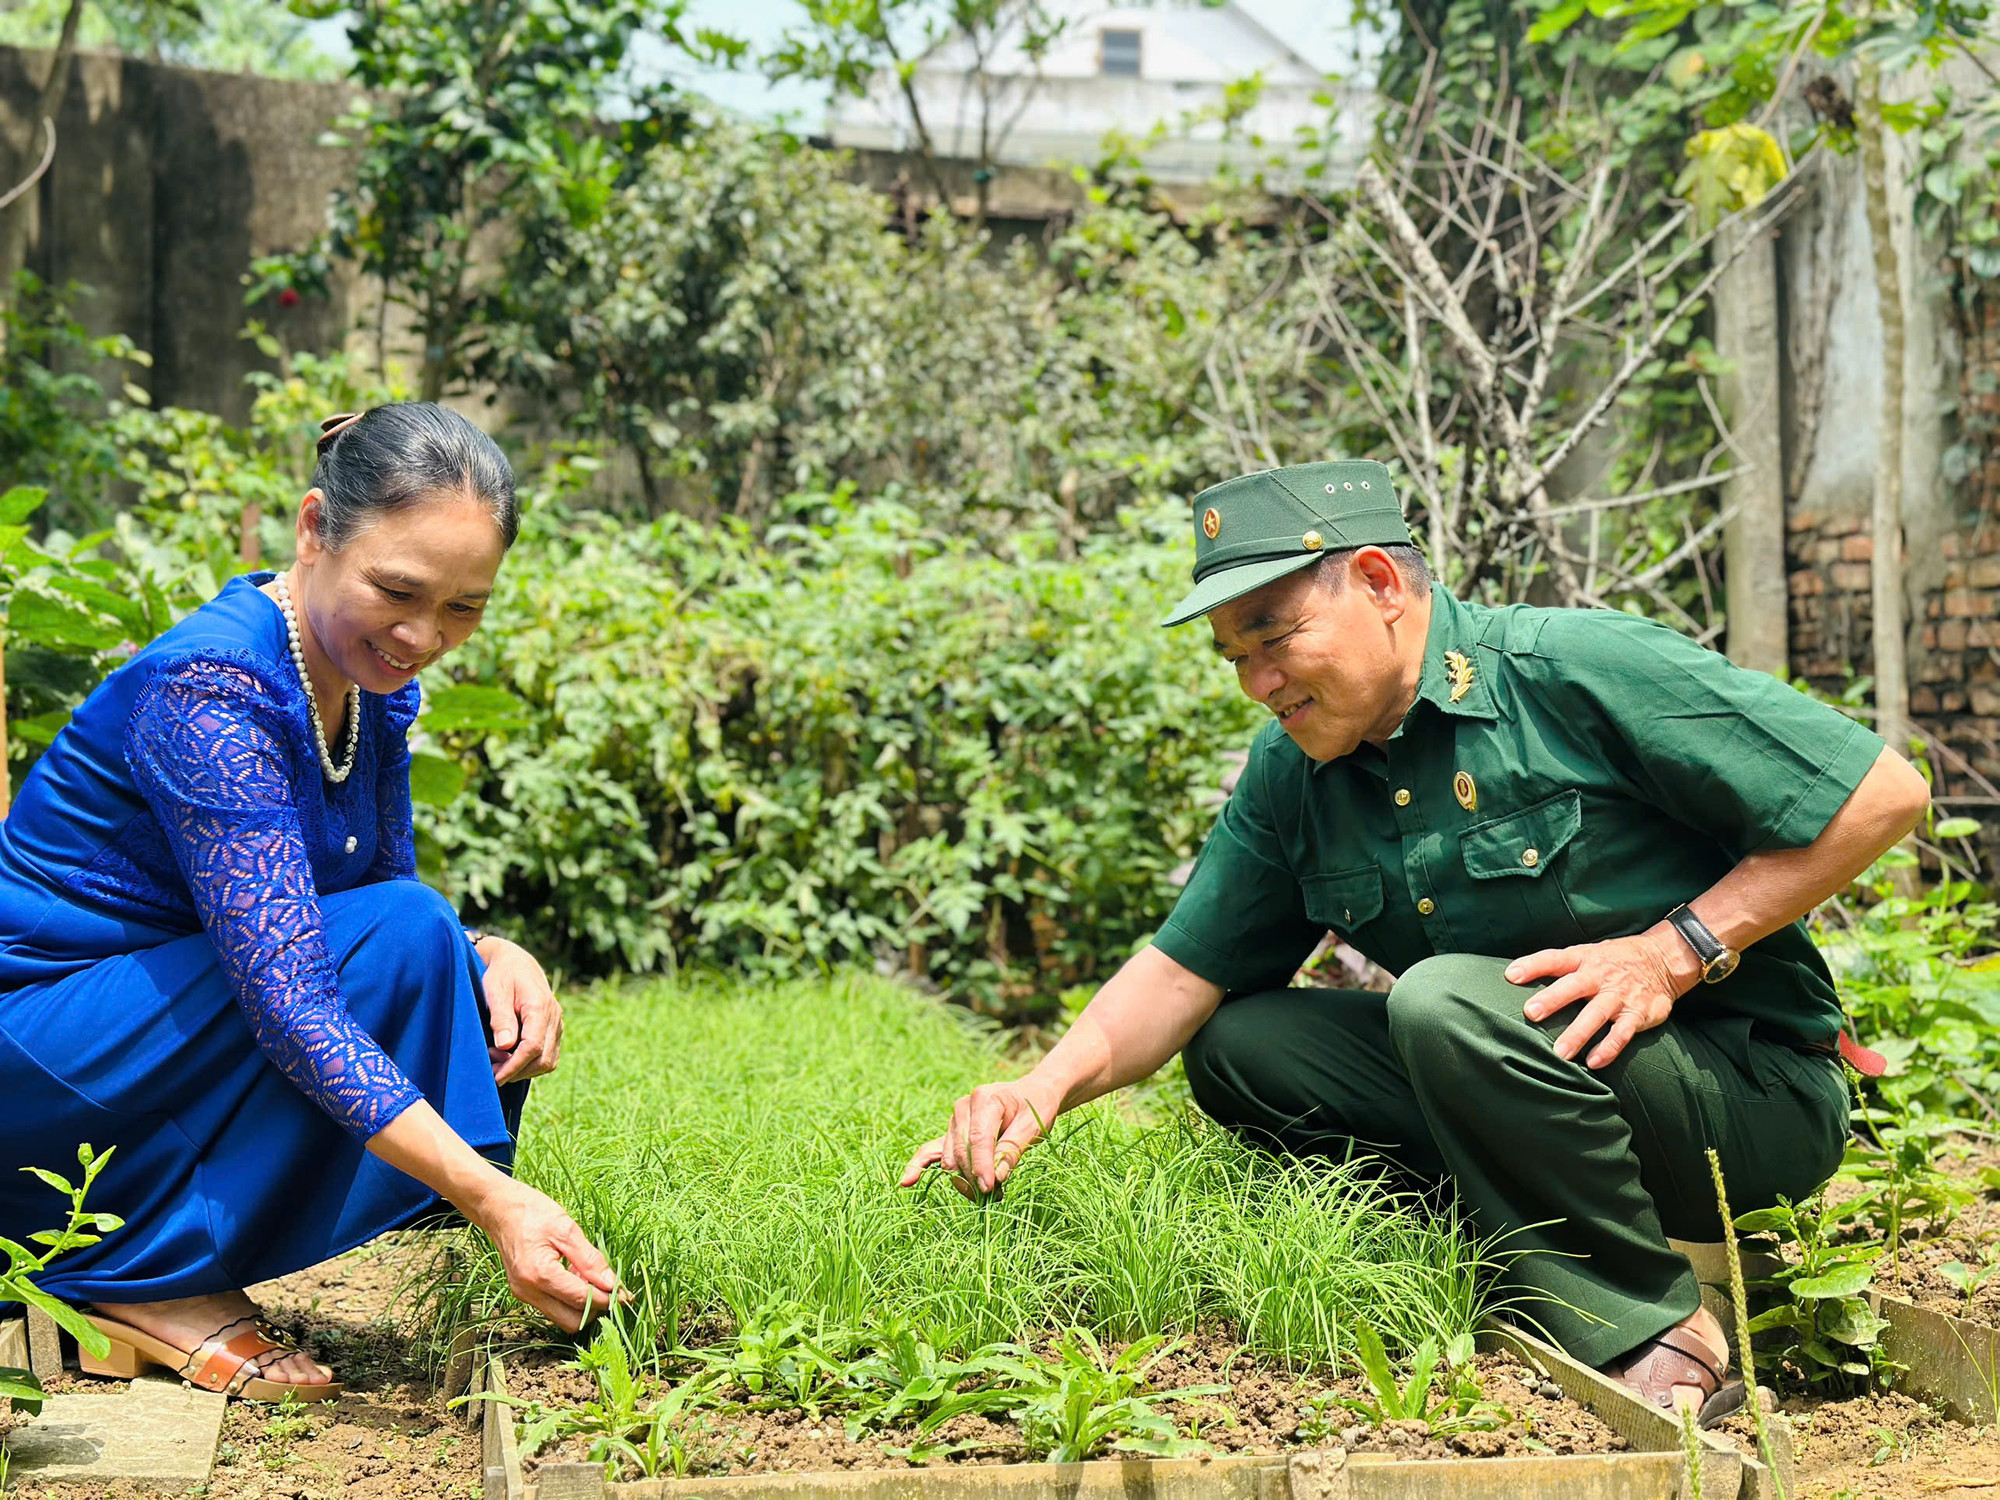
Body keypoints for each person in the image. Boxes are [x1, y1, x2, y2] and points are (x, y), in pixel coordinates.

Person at [902, 459, 1929, 1424]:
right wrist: (1036, 1089)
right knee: (1241, 1050)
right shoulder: (1294, 771)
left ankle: (1667, 1317)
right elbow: (1183, 968)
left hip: (1740, 1099)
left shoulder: (1571, 670)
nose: (1256, 681)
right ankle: (1521, 1251)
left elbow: (1882, 793)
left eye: (1274, 637)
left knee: (1440, 1000)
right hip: (1541, 1082)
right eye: (1233, 657)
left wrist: (1672, 948)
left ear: (1378, 580)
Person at [0, 405, 617, 1402]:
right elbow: (287, 998)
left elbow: (376, 897)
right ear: (312, 529)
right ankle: (142, 1274)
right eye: (398, 590)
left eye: (465, 608)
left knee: (424, 937)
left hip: (142, 1034)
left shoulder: (362, 681)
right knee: (390, 951)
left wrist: (495, 954)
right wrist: (492, 1196)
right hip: (36, 1059)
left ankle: (162, 1247)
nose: (424, 636)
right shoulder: (209, 694)